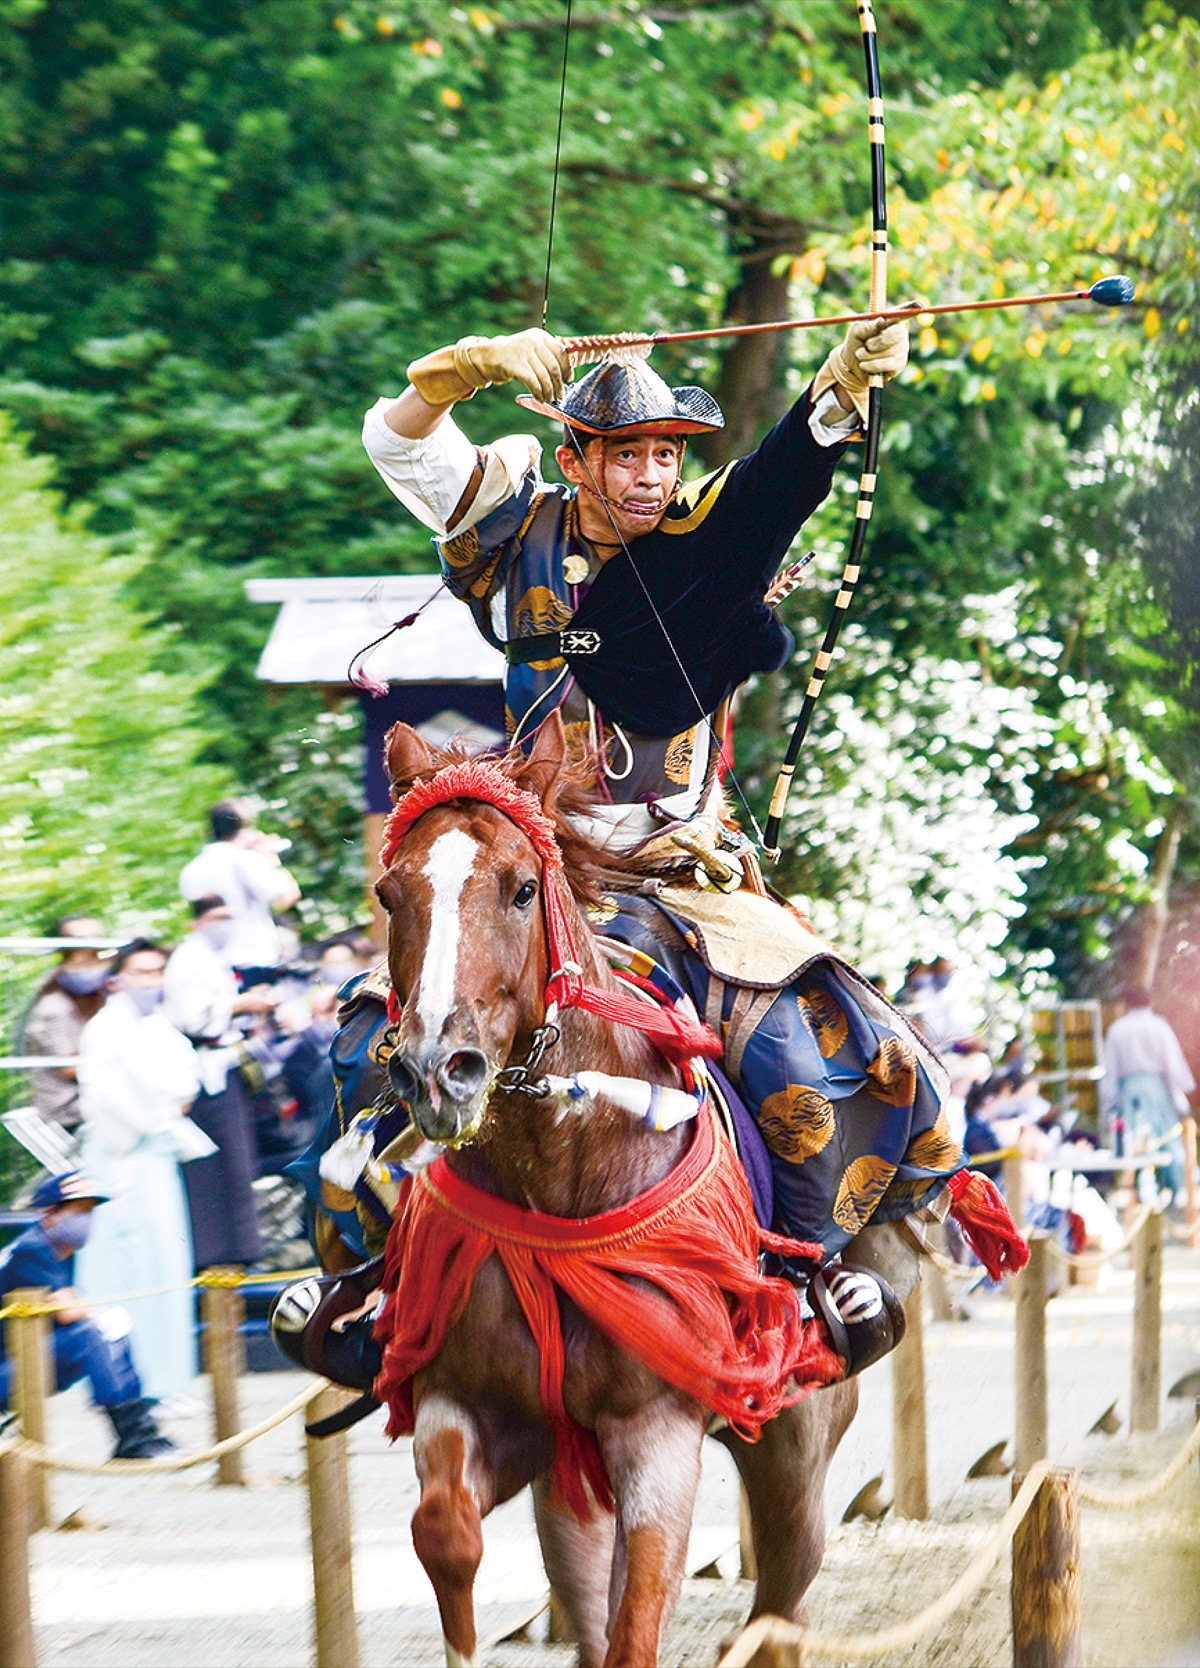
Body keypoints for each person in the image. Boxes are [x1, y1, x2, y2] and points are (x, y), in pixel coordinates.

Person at [276, 318, 1025, 1393]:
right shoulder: (511, 527)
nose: (650, 475)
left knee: (828, 1046)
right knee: (374, 1034)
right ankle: (362, 1285)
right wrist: (468, 365)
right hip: (545, 870)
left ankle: (803, 1276)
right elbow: (399, 441)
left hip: (684, 873)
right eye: (625, 453)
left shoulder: (703, 534)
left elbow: (779, 480)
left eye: (667, 453)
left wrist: (838, 388)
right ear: (572, 456)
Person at [75, 938, 210, 1407]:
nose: (150, 981)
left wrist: (167, 1105)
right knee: (122, 1273)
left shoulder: (159, 1026)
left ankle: (164, 1381)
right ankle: (124, 1384)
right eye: (141, 972)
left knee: (164, 1268)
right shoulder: (104, 1028)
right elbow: (116, 1098)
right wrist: (161, 1109)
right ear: (119, 977)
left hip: (156, 1154)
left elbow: (186, 1082)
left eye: (157, 972)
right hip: (121, 1157)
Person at [0, 1172, 175, 1459]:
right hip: (8, 1367)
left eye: (89, 1211)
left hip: (22, 1361)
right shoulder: (33, 1249)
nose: (86, 1219)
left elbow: (70, 1304)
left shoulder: (59, 1249)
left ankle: (140, 1430)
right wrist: (99, 1314)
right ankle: (133, 1435)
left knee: (107, 1331)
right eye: (78, 1211)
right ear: (50, 1214)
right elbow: (68, 1311)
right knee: (88, 1335)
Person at [164, 897, 279, 1270]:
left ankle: (244, 1251)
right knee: (218, 1166)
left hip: (226, 1065)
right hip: (202, 1072)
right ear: (197, 922)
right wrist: (241, 1005)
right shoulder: (188, 958)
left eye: (229, 917)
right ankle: (218, 1256)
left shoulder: (216, 957)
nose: (224, 924)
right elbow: (192, 1018)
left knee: (239, 1163)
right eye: (216, 917)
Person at [179, 799, 301, 973]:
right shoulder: (245, 859)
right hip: (257, 959)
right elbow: (285, 899)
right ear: (246, 827)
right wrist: (271, 859)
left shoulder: (190, 870)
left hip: (217, 966)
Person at [19, 915, 111, 1136]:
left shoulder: (100, 994)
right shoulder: (55, 1005)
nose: (90, 952)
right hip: (73, 1110)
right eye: (80, 944)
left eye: (95, 942)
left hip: (102, 1099)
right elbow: (71, 1069)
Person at [1100, 986, 1196, 1197]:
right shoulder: (1158, 1026)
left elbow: (1111, 1070)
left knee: (1134, 1141)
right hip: (1157, 1089)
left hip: (1129, 1092)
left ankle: (1143, 1194)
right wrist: (1181, 1096)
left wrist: (1110, 1101)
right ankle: (1177, 1190)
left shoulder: (1118, 1029)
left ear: (1127, 1004)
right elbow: (1172, 1063)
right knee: (1167, 1138)